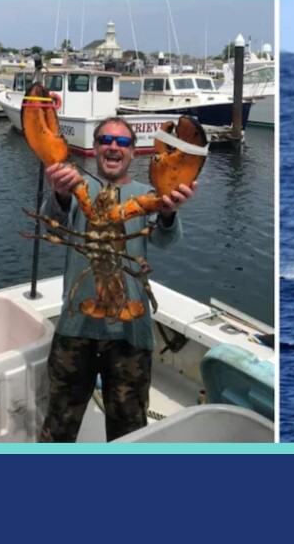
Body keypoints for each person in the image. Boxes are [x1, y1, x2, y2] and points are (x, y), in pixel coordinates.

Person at [38, 116, 197, 443]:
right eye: (105, 140)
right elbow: (52, 225)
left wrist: (167, 212)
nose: (113, 147)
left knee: (129, 434)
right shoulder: (77, 185)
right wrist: (60, 193)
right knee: (58, 427)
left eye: (122, 142)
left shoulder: (149, 193)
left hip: (130, 335)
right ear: (95, 148)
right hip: (75, 330)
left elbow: (165, 241)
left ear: (133, 152)